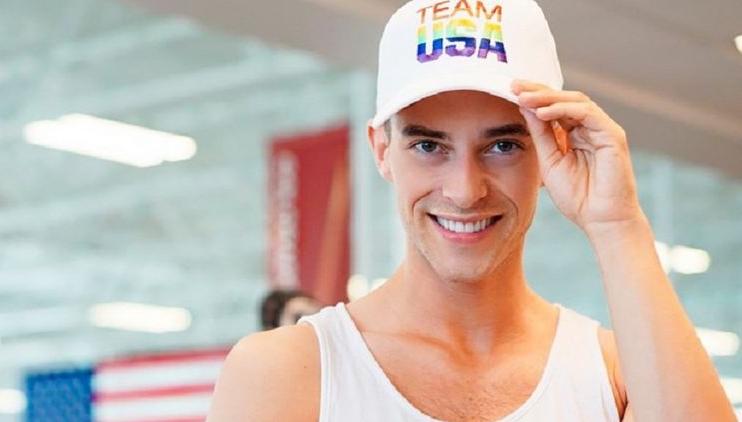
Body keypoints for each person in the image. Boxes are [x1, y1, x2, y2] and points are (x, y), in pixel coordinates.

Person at [208, 0, 736, 420]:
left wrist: (617, 226)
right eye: (428, 146)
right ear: (382, 150)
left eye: (503, 146)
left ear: (552, 148)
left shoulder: (613, 372)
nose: (465, 191)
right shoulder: (287, 373)